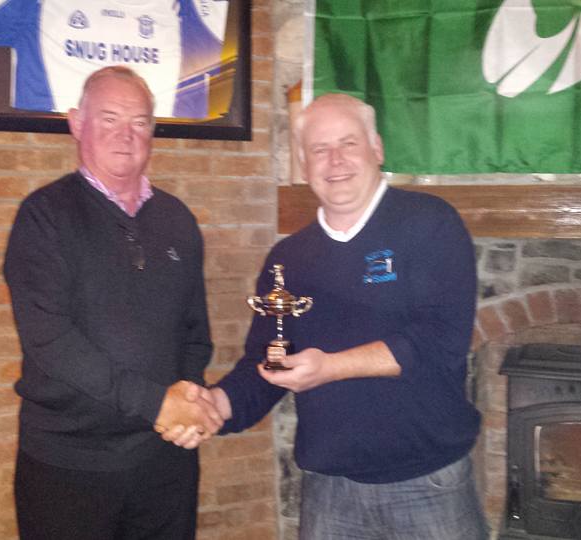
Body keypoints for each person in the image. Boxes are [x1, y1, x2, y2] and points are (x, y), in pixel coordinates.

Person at [163, 93, 489, 539]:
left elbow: (442, 341)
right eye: (319, 149)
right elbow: (266, 363)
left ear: (376, 148)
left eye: (348, 143)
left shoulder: (430, 224)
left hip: (427, 484)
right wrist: (217, 405)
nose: (335, 161)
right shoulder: (288, 259)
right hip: (329, 491)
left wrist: (330, 367)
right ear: (303, 163)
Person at [3, 66, 222, 540]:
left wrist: (185, 398)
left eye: (140, 121)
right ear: (76, 123)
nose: (126, 135)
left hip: (165, 460)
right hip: (69, 467)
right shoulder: (44, 217)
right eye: (109, 119)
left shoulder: (177, 219)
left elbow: (194, 331)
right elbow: (50, 340)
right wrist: (156, 404)